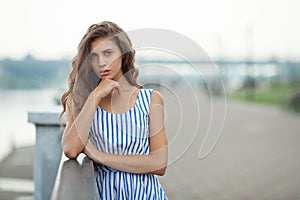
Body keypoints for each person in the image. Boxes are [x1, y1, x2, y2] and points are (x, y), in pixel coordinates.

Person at [59, 21, 168, 199]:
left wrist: (99, 156)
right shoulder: (79, 100)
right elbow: (70, 150)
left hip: (146, 195)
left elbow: (159, 163)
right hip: (103, 194)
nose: (101, 62)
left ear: (124, 55)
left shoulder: (151, 99)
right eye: (94, 56)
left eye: (107, 53)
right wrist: (95, 96)